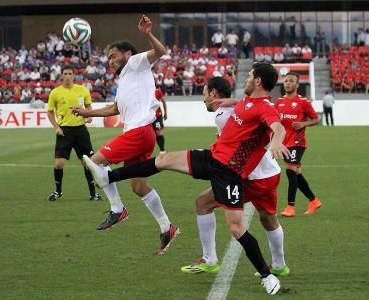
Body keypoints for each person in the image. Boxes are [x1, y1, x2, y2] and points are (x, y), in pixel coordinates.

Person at [82, 63, 290, 295]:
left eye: (251, 76)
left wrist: (278, 140)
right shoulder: (248, 101)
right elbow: (247, 106)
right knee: (165, 160)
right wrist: (231, 102)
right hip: (213, 157)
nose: (247, 79)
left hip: (229, 173)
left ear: (259, 81)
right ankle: (108, 175)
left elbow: (277, 126)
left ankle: (267, 275)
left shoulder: (266, 108)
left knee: (236, 227)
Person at [72, 15, 179, 255]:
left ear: (126, 54)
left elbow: (160, 51)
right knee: (139, 186)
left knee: (96, 161)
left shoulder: (135, 63)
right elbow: (114, 109)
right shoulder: (125, 79)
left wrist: (147, 34)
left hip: (139, 131)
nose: (109, 61)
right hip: (143, 134)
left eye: (112, 56)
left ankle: (117, 209)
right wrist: (86, 112)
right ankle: (166, 226)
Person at [178, 77, 289, 278]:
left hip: (248, 176)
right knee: (267, 218)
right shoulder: (252, 104)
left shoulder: (222, 115)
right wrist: (235, 102)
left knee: (203, 204)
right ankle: (280, 264)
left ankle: (209, 260)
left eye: (205, 93)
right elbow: (258, 112)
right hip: (269, 173)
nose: (204, 100)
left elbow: (260, 127)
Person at [46, 65, 102, 202]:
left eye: (70, 73)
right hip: (64, 131)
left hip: (81, 130)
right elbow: (50, 111)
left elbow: (88, 107)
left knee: (88, 163)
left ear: (74, 75)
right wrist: (56, 127)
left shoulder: (82, 90)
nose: (68, 75)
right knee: (59, 163)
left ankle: (93, 194)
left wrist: (89, 116)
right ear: (61, 75)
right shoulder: (55, 92)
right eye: (65, 73)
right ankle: (58, 192)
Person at [275, 72, 321, 217]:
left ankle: (290, 207)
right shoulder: (279, 102)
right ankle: (313, 200)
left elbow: (315, 119)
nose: (288, 83)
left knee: (290, 171)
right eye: (286, 80)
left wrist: (303, 123)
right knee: (296, 174)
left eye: (291, 81)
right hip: (285, 143)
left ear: (297, 84)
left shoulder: (303, 102)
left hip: (298, 142)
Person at [153, 87, 168, 154]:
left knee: (158, 133)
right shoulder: (143, 91)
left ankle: (162, 150)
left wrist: (165, 113)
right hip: (147, 117)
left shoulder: (157, 91)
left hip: (157, 116)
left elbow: (164, 101)